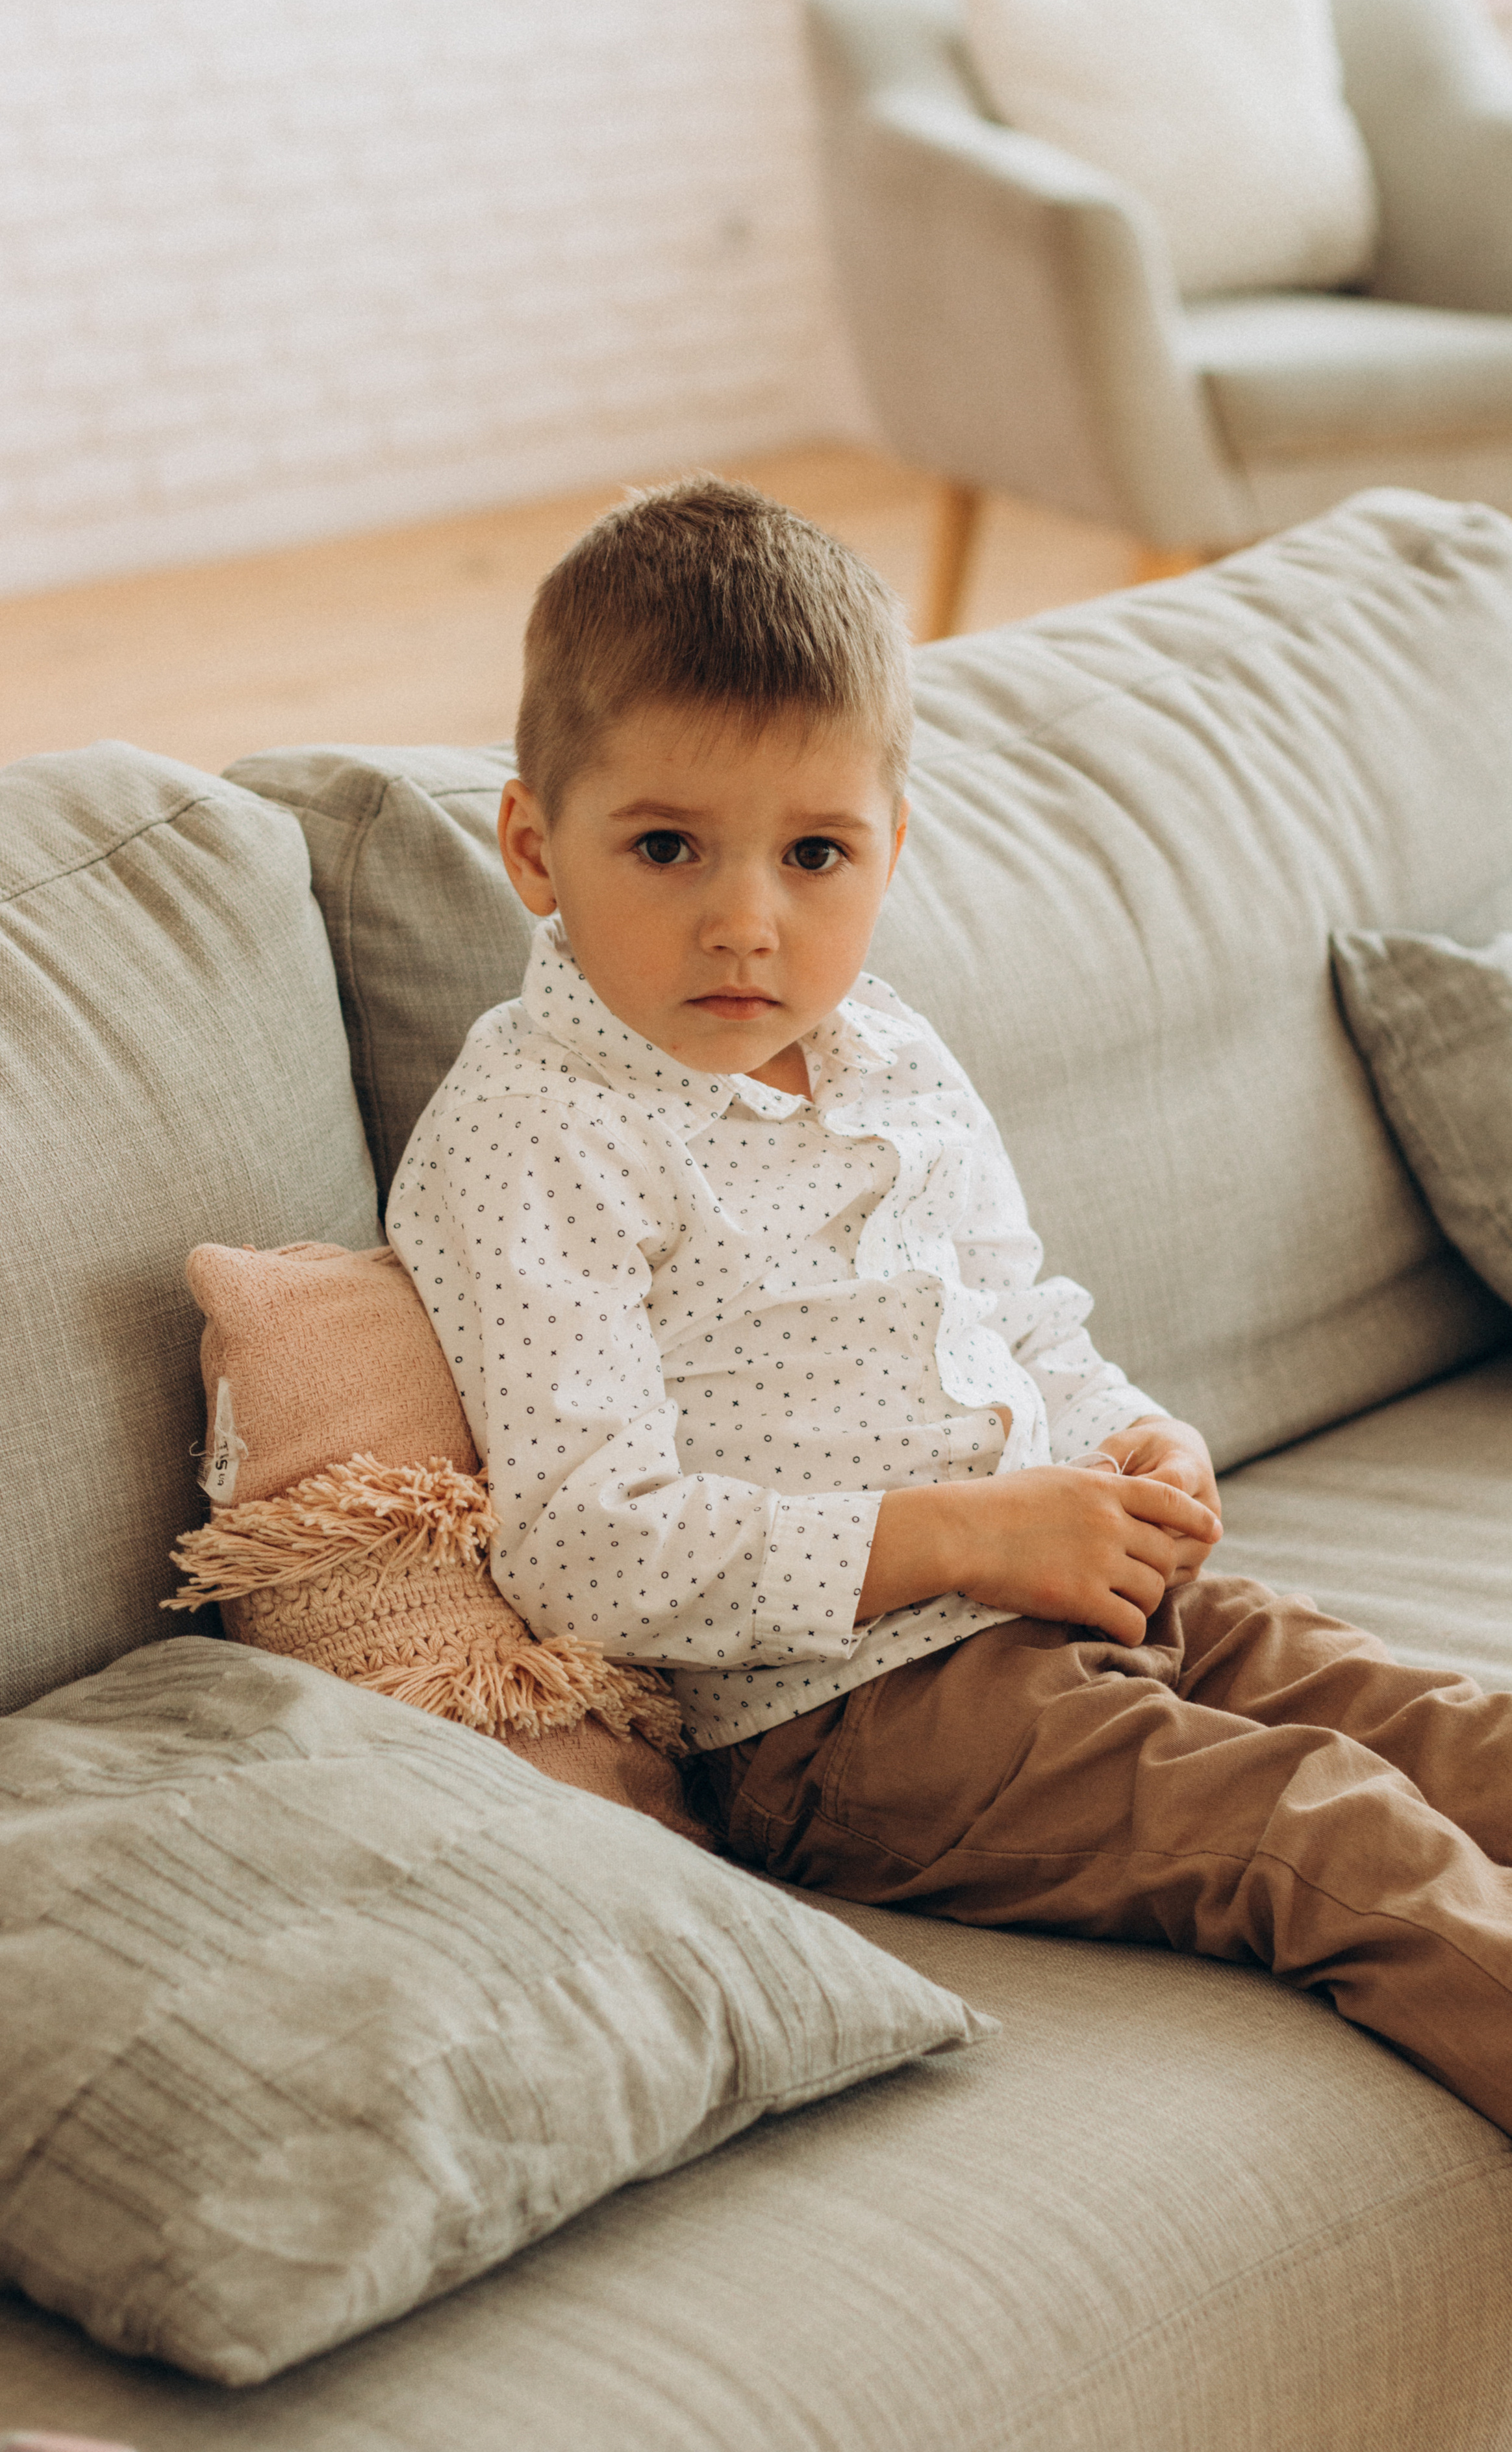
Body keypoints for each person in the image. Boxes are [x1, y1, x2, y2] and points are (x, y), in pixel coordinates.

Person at [388, 476, 1512, 2132]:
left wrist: (1125, 1429)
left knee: (1427, 1721)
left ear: (890, 849)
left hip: (1070, 1584)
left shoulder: (889, 1048)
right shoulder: (536, 1133)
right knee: (1320, 1825)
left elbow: (1016, 1311)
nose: (745, 921)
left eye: (815, 852)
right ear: (534, 849)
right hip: (844, 1716)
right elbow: (584, 1548)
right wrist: (972, 1539)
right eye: (665, 847)